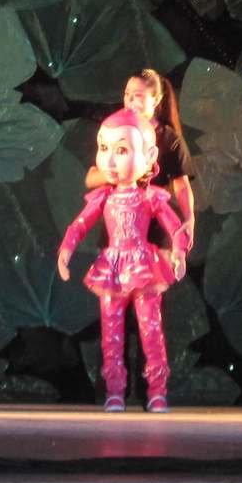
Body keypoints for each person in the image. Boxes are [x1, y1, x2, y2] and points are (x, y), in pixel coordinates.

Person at [58, 109, 192, 413]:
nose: (110, 159)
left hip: (145, 267)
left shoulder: (150, 197)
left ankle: (157, 391)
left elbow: (174, 226)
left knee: (151, 330)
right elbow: (80, 225)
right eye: (104, 148)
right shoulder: (103, 197)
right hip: (113, 269)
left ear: (149, 156)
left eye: (121, 150)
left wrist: (179, 252)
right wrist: (66, 250)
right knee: (111, 333)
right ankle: (114, 391)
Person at [90, 70, 195, 248]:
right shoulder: (116, 130)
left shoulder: (169, 139)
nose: (130, 100)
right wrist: (120, 173)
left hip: (152, 228)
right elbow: (91, 178)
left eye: (138, 95)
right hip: (117, 226)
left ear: (156, 100)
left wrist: (189, 218)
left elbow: (182, 185)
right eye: (127, 94)